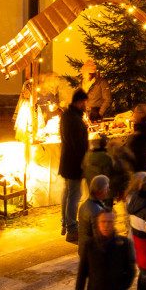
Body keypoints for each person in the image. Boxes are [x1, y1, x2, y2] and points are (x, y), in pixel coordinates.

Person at [58, 86, 89, 241]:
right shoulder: (73, 119)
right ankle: (71, 227)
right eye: (84, 102)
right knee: (74, 195)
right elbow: (77, 143)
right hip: (74, 163)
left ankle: (65, 223)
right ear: (79, 102)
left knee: (68, 193)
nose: (86, 105)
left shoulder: (67, 116)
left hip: (67, 162)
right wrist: (83, 161)